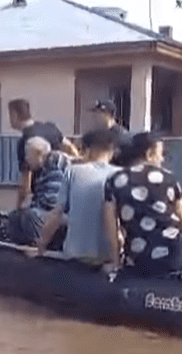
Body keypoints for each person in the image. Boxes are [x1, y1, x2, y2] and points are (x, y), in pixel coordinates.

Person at [103, 132, 182, 277]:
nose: (162, 159)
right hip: (180, 249)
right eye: (160, 154)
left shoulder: (115, 180)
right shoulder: (169, 178)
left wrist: (115, 262)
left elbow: (110, 227)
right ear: (150, 154)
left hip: (144, 255)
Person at [36, 128, 121, 264]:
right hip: (106, 258)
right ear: (112, 151)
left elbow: (55, 215)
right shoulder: (121, 175)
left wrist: (40, 247)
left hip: (74, 255)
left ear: (87, 149)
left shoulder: (73, 172)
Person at [8, 98, 80, 210]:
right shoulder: (50, 128)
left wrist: (18, 207)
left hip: (43, 196)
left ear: (14, 115)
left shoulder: (25, 141)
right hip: (64, 191)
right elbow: (70, 147)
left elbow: (25, 181)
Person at [6, 136, 71, 247]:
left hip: (60, 215)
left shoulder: (55, 163)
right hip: (45, 211)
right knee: (14, 216)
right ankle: (20, 249)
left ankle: (40, 248)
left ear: (38, 154)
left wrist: (31, 206)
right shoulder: (40, 169)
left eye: (28, 154)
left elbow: (51, 201)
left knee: (32, 215)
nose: (26, 158)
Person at [88, 99, 131, 164]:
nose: (94, 117)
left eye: (98, 113)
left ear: (107, 115)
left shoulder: (120, 134)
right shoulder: (97, 135)